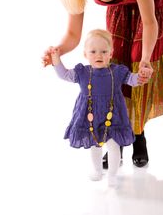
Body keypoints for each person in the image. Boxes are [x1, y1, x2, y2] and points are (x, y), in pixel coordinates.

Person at [42, 0, 163, 168]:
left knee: (138, 63)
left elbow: (149, 22)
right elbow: (73, 35)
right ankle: (116, 139)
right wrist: (57, 50)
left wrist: (146, 59)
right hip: (121, 6)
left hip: (153, 1)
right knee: (115, 66)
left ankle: (139, 137)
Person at [49, 29, 150, 187]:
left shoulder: (116, 71)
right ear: (85, 54)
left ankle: (112, 175)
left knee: (114, 145)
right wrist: (56, 60)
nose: (99, 55)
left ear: (111, 53)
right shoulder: (83, 72)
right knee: (95, 145)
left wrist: (141, 76)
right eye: (93, 51)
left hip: (113, 115)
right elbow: (65, 75)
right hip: (90, 115)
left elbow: (132, 79)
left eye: (104, 51)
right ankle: (97, 170)